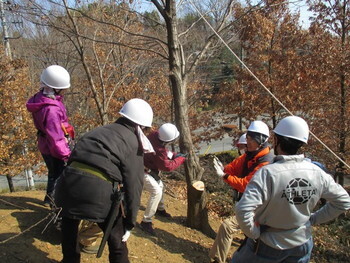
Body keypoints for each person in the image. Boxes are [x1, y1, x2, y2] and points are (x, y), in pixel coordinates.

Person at [232, 116, 350, 263]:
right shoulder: (316, 172)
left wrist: (254, 233)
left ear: (276, 140)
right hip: (302, 243)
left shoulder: (268, 173)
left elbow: (243, 209)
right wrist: (313, 219)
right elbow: (343, 201)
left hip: (269, 244)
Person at [54, 98, 154, 263]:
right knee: (117, 239)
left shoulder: (98, 131)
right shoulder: (133, 142)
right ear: (142, 126)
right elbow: (134, 185)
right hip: (97, 192)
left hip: (67, 184)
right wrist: (129, 223)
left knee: (69, 227)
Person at [209, 121, 274, 263]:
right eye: (248, 138)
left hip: (260, 209)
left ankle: (217, 260)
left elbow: (246, 185)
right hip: (251, 205)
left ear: (261, 141)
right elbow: (234, 167)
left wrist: (224, 176)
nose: (248, 141)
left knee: (228, 226)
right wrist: (224, 169)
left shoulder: (266, 163)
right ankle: (215, 258)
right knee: (247, 239)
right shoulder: (249, 155)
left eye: (251, 139)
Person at [26, 65, 74, 206]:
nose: (65, 91)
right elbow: (56, 137)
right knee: (59, 174)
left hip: (45, 143)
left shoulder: (41, 98)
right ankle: (55, 201)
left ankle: (49, 199)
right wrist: (66, 155)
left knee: (53, 172)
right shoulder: (51, 109)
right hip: (53, 146)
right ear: (55, 87)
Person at [140, 123, 186, 236]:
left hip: (145, 167)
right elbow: (167, 166)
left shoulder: (155, 135)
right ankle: (146, 221)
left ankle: (160, 209)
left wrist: (175, 155)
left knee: (160, 185)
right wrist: (181, 158)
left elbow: (164, 153)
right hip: (142, 170)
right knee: (156, 191)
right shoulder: (159, 149)